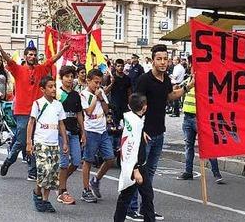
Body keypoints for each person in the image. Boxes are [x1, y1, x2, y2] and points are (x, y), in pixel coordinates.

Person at [126, 44, 190, 221]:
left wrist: (188, 87)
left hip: (159, 133)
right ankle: (131, 208)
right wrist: (139, 130)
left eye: (165, 59)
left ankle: (146, 208)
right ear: (153, 60)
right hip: (144, 135)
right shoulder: (144, 80)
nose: (163, 62)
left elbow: (169, 96)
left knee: (151, 172)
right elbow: (134, 105)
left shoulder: (166, 79)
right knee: (137, 171)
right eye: (159, 59)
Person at [0, 41, 69, 180]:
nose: (32, 56)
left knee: (36, 140)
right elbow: (8, 60)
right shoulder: (18, 69)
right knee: (22, 141)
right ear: (25, 56)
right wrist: (0, 50)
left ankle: (32, 171)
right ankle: (9, 161)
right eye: (30, 54)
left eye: (34, 54)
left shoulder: (40, 69)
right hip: (22, 111)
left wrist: (63, 50)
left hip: (38, 111)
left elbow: (52, 60)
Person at [177, 56, 224, 184]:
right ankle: (188, 172)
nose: (191, 68)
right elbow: (177, 90)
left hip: (200, 118)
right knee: (188, 146)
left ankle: (216, 173)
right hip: (187, 117)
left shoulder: (206, 81)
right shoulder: (188, 81)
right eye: (191, 66)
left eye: (193, 65)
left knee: (207, 146)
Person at [26, 75, 69, 213]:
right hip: (41, 142)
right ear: (42, 89)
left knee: (52, 173)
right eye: (50, 87)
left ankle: (45, 200)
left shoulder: (58, 105)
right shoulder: (38, 104)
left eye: (54, 86)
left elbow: (61, 123)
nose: (53, 89)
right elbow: (31, 123)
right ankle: (36, 193)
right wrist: (29, 142)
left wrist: (65, 142)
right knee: (44, 170)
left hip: (54, 143)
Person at [114, 93, 155, 222]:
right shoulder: (136, 123)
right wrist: (135, 169)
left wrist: (142, 132)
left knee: (146, 196)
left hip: (133, 164)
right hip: (135, 165)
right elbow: (132, 147)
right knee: (127, 197)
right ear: (145, 108)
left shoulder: (131, 118)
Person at [79, 69, 115, 203]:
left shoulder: (101, 93)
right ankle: (85, 189)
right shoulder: (84, 94)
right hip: (91, 131)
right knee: (88, 160)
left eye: (100, 83)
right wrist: (95, 97)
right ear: (88, 81)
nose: (98, 85)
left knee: (110, 158)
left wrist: (101, 98)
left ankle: (96, 180)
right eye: (95, 82)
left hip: (103, 130)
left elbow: (106, 110)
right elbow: (88, 111)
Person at [56, 65, 85, 205]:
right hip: (62, 132)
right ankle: (62, 191)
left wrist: (83, 132)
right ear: (61, 78)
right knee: (63, 162)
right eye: (67, 76)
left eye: (71, 76)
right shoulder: (58, 94)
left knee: (76, 161)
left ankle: (60, 181)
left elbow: (79, 113)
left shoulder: (75, 95)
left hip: (74, 131)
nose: (69, 79)